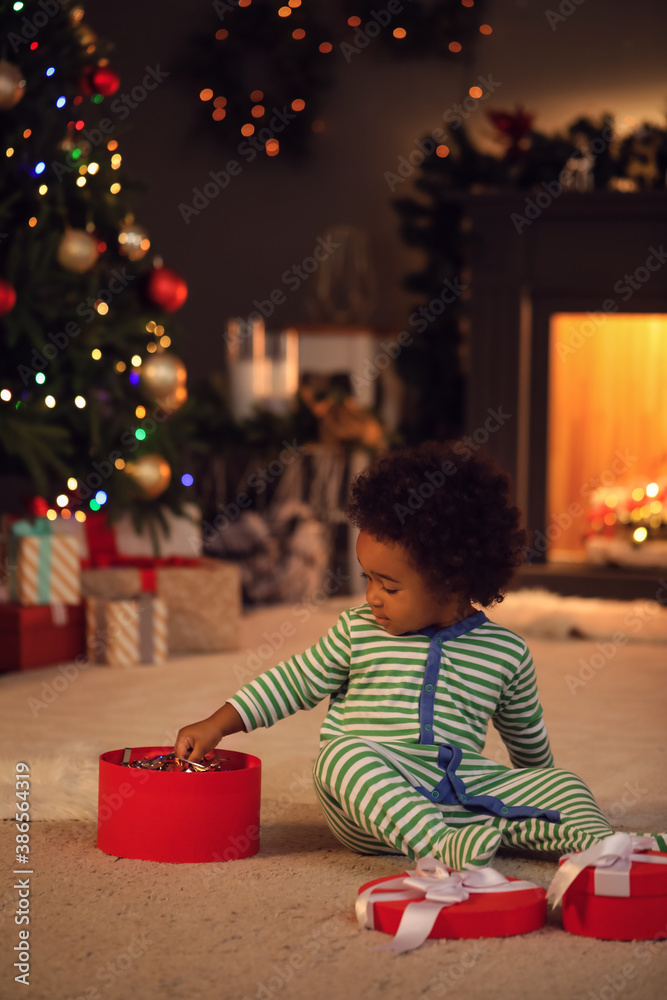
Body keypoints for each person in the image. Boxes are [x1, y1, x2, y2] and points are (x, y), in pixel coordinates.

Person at [175, 441, 665, 870]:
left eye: (388, 585)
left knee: (565, 785)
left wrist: (542, 790)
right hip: (370, 807)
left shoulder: (505, 653)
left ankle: (612, 848)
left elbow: (529, 752)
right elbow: (288, 683)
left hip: (462, 798)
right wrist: (218, 724)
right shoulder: (356, 632)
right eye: (368, 577)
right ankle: (438, 846)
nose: (371, 596)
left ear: (454, 580)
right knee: (342, 758)